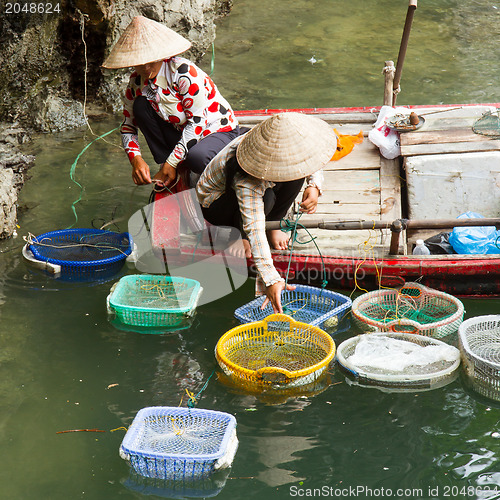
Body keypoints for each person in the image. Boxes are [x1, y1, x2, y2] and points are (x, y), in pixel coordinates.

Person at [196, 112, 337, 313]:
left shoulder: (288, 145)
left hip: (252, 192)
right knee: (266, 199)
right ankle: (237, 234)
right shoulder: (248, 179)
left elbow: (308, 156)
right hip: (217, 203)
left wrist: (314, 186)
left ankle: (274, 222)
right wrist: (270, 279)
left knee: (295, 175)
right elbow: (253, 225)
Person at [102, 16, 243, 188]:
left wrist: (172, 161)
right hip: (182, 131)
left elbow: (197, 125)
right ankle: (169, 166)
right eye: (139, 64)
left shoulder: (184, 74)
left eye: (151, 61)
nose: (146, 69)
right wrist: (135, 159)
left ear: (161, 56)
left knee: (197, 159)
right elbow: (128, 126)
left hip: (215, 130)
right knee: (140, 105)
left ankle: (176, 164)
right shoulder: (135, 83)